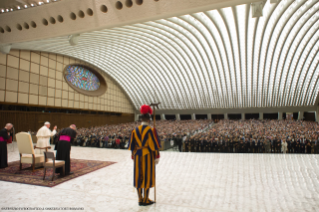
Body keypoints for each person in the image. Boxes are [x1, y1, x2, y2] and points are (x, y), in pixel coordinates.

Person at [128, 104, 161, 206]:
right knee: (147, 176)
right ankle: (146, 199)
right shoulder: (151, 130)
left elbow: (132, 146)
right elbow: (154, 146)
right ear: (148, 119)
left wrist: (133, 156)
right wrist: (156, 156)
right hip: (147, 155)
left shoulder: (134, 130)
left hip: (137, 155)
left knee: (138, 176)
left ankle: (140, 199)